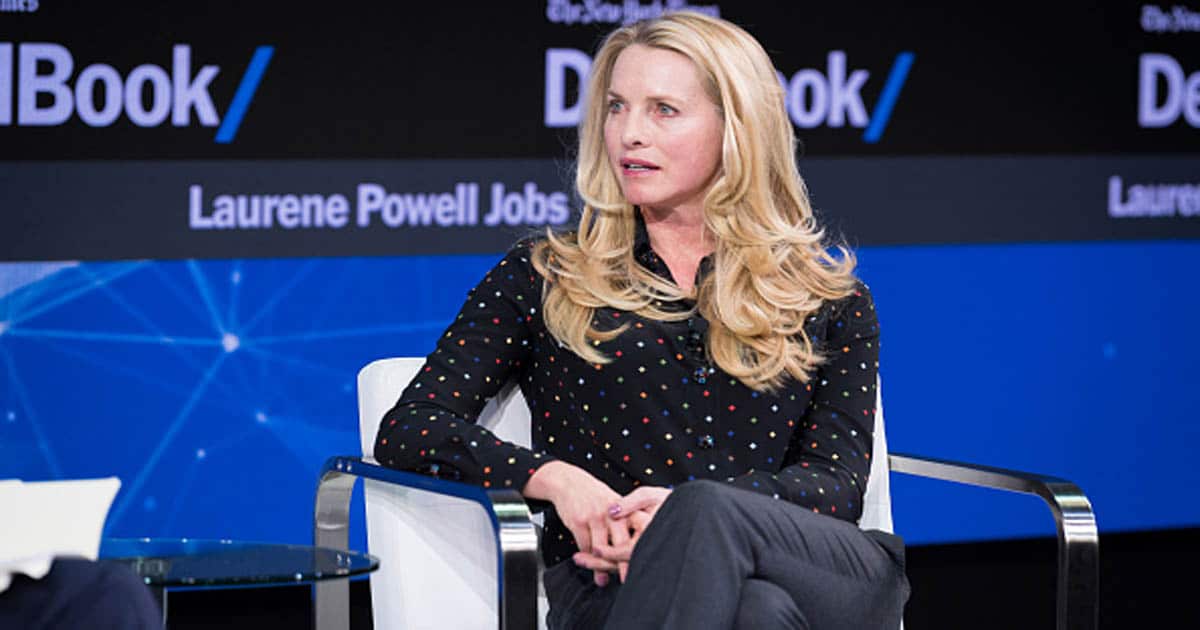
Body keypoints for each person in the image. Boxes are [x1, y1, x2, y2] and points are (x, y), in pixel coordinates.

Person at [375, 11, 909, 629]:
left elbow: (835, 484)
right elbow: (411, 427)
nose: (629, 133)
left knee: (705, 513)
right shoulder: (547, 276)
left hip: (819, 569)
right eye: (616, 107)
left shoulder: (826, 296)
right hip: (613, 582)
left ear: (735, 129)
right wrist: (555, 480)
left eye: (664, 110)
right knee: (757, 613)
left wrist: (688, 518)